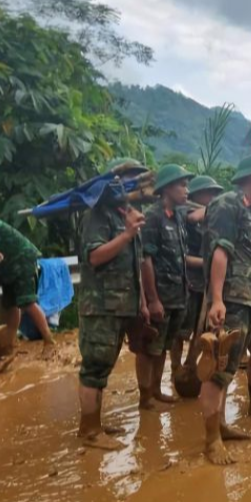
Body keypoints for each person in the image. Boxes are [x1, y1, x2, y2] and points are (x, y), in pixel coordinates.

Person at [199, 154, 251, 465]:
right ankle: (211, 441)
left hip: (247, 300)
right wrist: (217, 299)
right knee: (217, 369)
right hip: (231, 300)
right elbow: (221, 252)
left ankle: (219, 426)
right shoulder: (227, 204)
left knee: (229, 368)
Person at [76, 158, 150, 451]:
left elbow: (135, 264)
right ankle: (89, 431)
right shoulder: (98, 215)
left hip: (123, 305)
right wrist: (127, 234)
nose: (137, 186)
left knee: (104, 367)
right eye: (132, 179)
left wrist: (142, 303)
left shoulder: (128, 214)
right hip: (101, 306)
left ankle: (95, 423)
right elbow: (94, 256)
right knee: (94, 367)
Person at [141, 164, 195, 408]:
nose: (187, 190)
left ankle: (155, 390)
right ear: (166, 189)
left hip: (178, 294)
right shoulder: (153, 217)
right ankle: (145, 396)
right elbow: (146, 259)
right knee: (150, 347)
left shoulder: (179, 216)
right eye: (182, 185)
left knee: (162, 346)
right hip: (161, 294)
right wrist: (152, 299)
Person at [0, 214, 56, 357]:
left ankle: (49, 342)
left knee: (27, 301)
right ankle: (10, 343)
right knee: (11, 304)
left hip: (20, 258)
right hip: (6, 265)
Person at [174, 175, 223, 384]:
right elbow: (192, 218)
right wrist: (206, 263)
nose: (212, 197)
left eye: (215, 194)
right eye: (208, 193)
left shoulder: (212, 221)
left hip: (207, 283)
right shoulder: (183, 211)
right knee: (181, 332)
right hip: (188, 282)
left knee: (202, 330)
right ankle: (176, 369)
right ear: (196, 195)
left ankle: (191, 365)